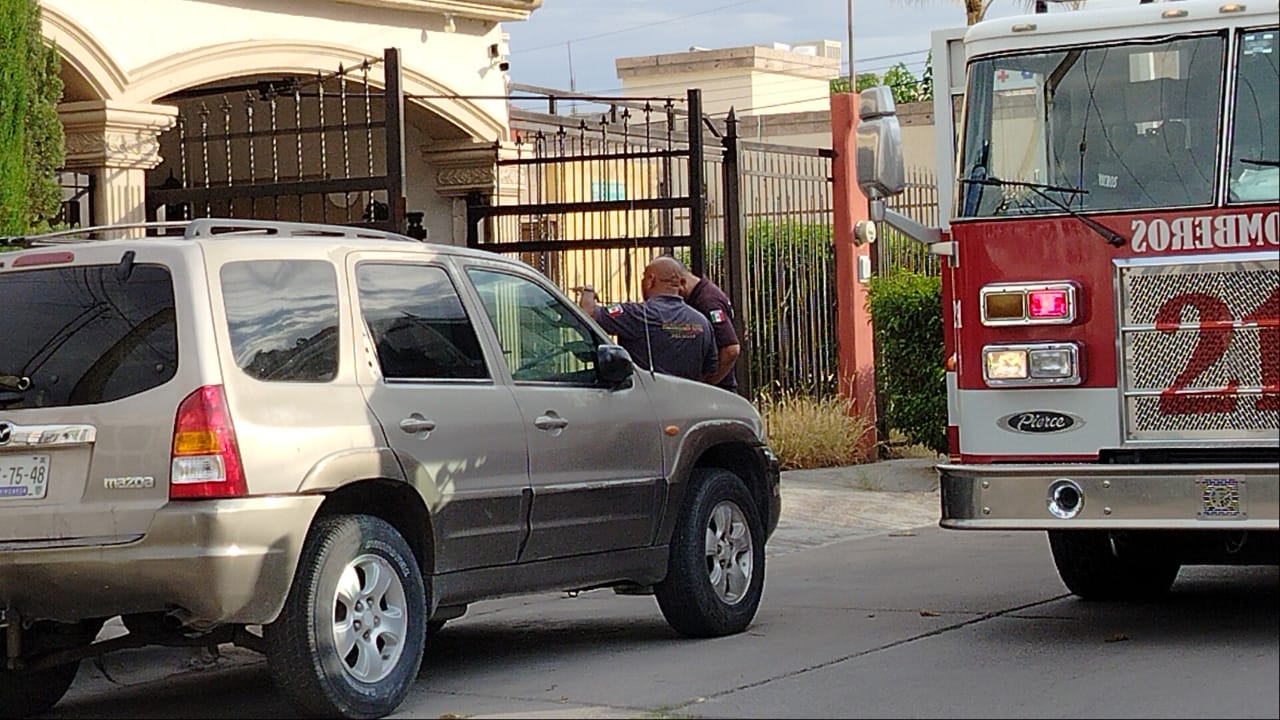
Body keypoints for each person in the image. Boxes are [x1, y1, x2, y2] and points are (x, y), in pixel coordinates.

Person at [575, 256, 717, 383]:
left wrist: (588, 291)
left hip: (645, 401)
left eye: (644, 277)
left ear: (650, 280)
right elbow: (710, 368)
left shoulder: (638, 314)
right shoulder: (702, 322)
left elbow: (588, 314)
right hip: (687, 404)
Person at [671, 259, 742, 394]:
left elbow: (731, 349)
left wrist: (708, 383)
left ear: (682, 282)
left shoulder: (707, 302)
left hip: (717, 393)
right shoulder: (702, 293)